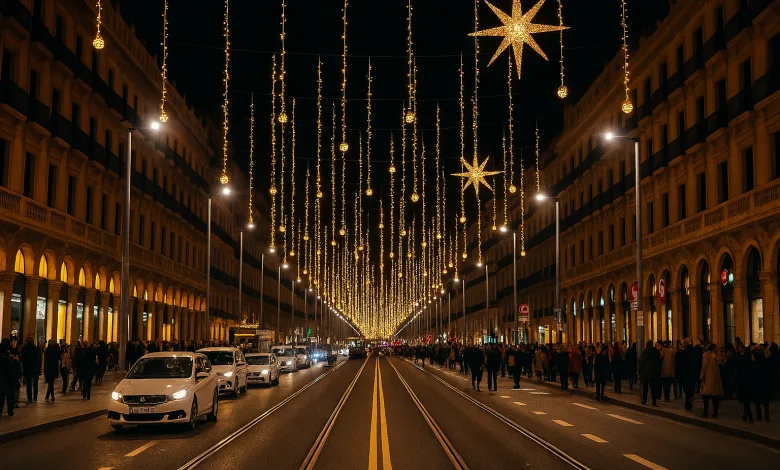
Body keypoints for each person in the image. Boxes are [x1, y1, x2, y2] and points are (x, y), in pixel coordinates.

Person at [700, 343, 723, 418]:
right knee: (714, 396)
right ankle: (715, 412)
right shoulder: (714, 355)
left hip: (708, 376)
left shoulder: (706, 355)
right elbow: (720, 362)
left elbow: (704, 365)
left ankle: (705, 412)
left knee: (706, 395)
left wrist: (702, 375)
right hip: (715, 377)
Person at [0, 339, 22, 415]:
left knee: (2, 395)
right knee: (10, 395)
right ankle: (10, 410)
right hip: (10, 377)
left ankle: (1, 410)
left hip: (3, 377)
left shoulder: (6, 353)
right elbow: (15, 366)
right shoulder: (10, 354)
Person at [638, 340, 661, 406]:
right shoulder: (656, 352)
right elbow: (658, 362)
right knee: (653, 387)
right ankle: (654, 401)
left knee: (645, 387)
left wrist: (640, 372)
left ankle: (644, 400)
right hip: (654, 372)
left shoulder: (645, 352)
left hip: (646, 372)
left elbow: (640, 361)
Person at [20, 336, 41, 403]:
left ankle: (30, 398)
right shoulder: (36, 348)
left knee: (29, 384)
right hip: (35, 369)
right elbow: (39, 360)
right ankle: (35, 398)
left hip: (27, 369)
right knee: (35, 384)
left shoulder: (24, 348)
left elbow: (22, 359)